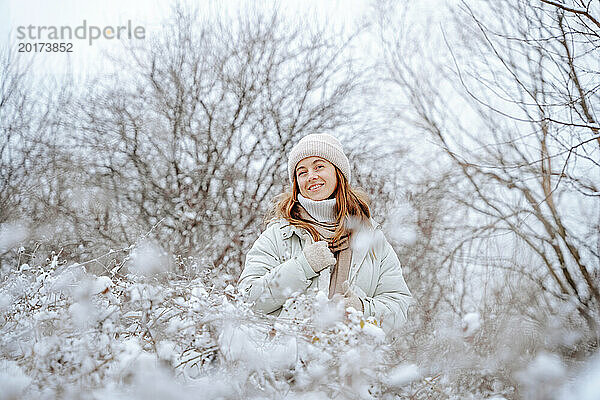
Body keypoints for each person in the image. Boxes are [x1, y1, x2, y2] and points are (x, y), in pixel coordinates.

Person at [238, 133, 412, 335]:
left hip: (352, 362)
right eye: (302, 172)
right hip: (288, 361)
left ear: (338, 172)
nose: (311, 176)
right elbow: (246, 302)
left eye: (319, 166)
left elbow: (399, 307)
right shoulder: (279, 235)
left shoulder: (370, 237)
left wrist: (362, 309)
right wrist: (303, 267)